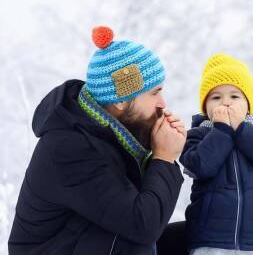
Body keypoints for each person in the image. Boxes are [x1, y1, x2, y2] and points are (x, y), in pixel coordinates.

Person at [8, 26, 188, 255]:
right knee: (134, 240)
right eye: (154, 93)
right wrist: (163, 158)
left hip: (87, 242)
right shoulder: (69, 147)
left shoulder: (114, 135)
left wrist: (160, 150)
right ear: (121, 100)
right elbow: (142, 224)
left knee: (194, 235)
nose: (163, 102)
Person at [180, 53, 253, 255]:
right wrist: (221, 131)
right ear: (205, 106)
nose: (225, 103)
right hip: (210, 240)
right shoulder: (198, 135)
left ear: (249, 103)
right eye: (216, 97)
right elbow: (200, 166)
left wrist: (241, 128)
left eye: (234, 96)